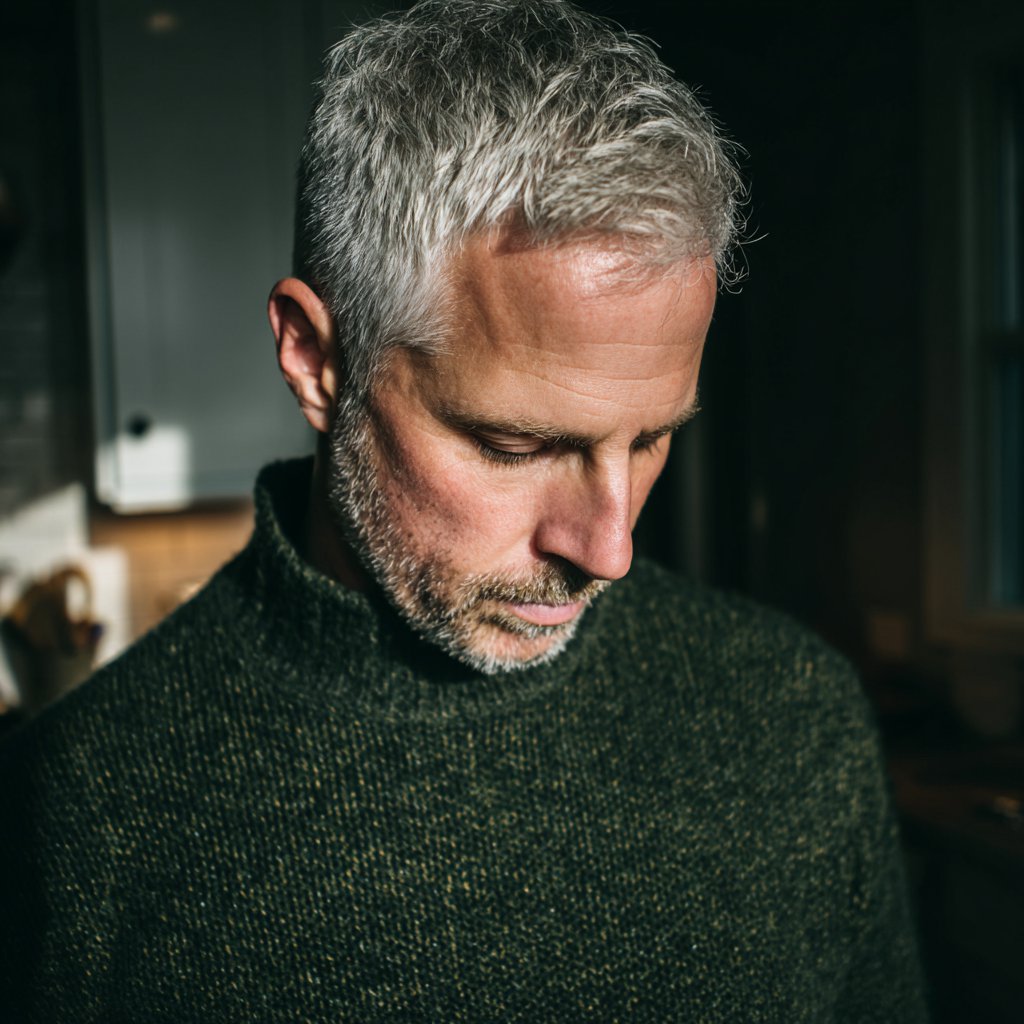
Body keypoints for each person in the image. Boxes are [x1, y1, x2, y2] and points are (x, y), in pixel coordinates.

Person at [0, 1, 927, 1019]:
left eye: (653, 438)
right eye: (515, 445)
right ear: (316, 358)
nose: (609, 547)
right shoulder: (81, 812)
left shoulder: (796, 721)